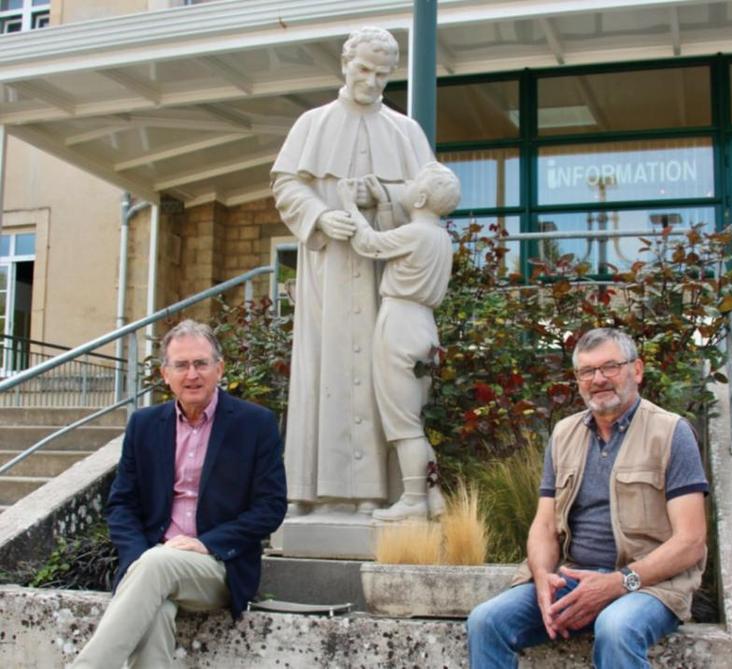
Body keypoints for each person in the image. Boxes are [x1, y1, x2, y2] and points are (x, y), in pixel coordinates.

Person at [467, 327, 708, 668]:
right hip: (574, 578)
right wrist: (541, 578)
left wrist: (618, 582)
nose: (599, 379)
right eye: (587, 371)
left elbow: (691, 541)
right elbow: (545, 523)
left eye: (610, 367)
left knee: (616, 628)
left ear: (636, 370)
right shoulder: (564, 433)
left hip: (649, 585)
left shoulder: (671, 433)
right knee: (486, 621)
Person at [270, 26, 433, 514]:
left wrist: (381, 197)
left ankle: (376, 494)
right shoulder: (313, 123)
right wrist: (321, 216)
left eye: (383, 74)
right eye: (364, 70)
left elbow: (427, 196)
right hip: (330, 273)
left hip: (386, 280)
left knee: (380, 378)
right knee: (326, 373)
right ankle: (316, 494)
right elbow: (286, 185)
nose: (372, 81)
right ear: (345, 64)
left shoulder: (406, 131)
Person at [72, 320, 287, 668]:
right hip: (153, 564)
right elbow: (122, 504)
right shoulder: (144, 425)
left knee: (157, 564)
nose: (192, 374)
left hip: (217, 566)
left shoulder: (254, 424)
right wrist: (138, 557)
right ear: (165, 373)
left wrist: (207, 543)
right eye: (182, 365)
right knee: (155, 612)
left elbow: (270, 508)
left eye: (201, 363)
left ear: (219, 368)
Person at [337, 162, 460, 521]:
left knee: (402, 420)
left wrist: (349, 205)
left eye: (413, 183)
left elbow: (369, 244)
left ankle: (413, 499)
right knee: (415, 417)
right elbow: (399, 245)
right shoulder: (437, 236)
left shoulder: (417, 234)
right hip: (424, 324)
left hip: (400, 322)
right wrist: (387, 207)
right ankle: (433, 496)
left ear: (420, 196)